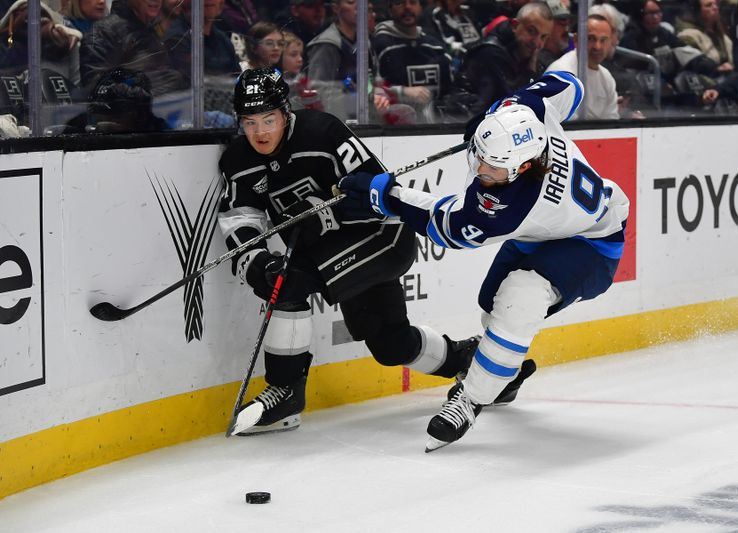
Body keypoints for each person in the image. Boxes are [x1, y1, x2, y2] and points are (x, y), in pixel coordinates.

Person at [217, 67, 530, 435]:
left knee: (290, 283)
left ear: (286, 112)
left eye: (269, 119)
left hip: (381, 237)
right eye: (250, 122)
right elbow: (241, 219)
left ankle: (285, 391)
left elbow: (382, 192)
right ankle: (480, 365)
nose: (261, 132)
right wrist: (255, 264)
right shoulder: (238, 160)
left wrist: (326, 211)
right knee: (389, 344)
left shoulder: (323, 131)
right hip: (326, 252)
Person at [338, 70, 629, 450]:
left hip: (593, 243)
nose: (481, 170)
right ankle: (503, 376)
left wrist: (385, 196)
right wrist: (495, 117)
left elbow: (446, 225)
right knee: (492, 309)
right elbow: (568, 83)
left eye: (494, 168)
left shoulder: (507, 205)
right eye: (482, 157)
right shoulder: (527, 112)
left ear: (524, 166)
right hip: (548, 229)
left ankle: (471, 399)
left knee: (520, 297)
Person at [460, 1, 554, 116]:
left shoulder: (529, 53)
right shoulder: (490, 53)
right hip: (457, 125)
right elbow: (510, 105)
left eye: (543, 37)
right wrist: (531, 71)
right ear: (515, 25)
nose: (537, 43)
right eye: (531, 31)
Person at [372, 0, 454, 124]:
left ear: (421, 7)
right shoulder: (379, 45)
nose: (407, 7)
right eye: (400, 3)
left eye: (413, 2)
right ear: (390, 10)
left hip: (439, 127)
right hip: (395, 130)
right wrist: (402, 92)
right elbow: (369, 90)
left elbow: (450, 89)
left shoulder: (435, 46)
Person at [546, 13, 620, 120]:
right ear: (576, 40)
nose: (597, 46)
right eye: (591, 39)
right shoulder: (561, 74)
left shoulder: (607, 78)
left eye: (603, 40)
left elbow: (611, 122)